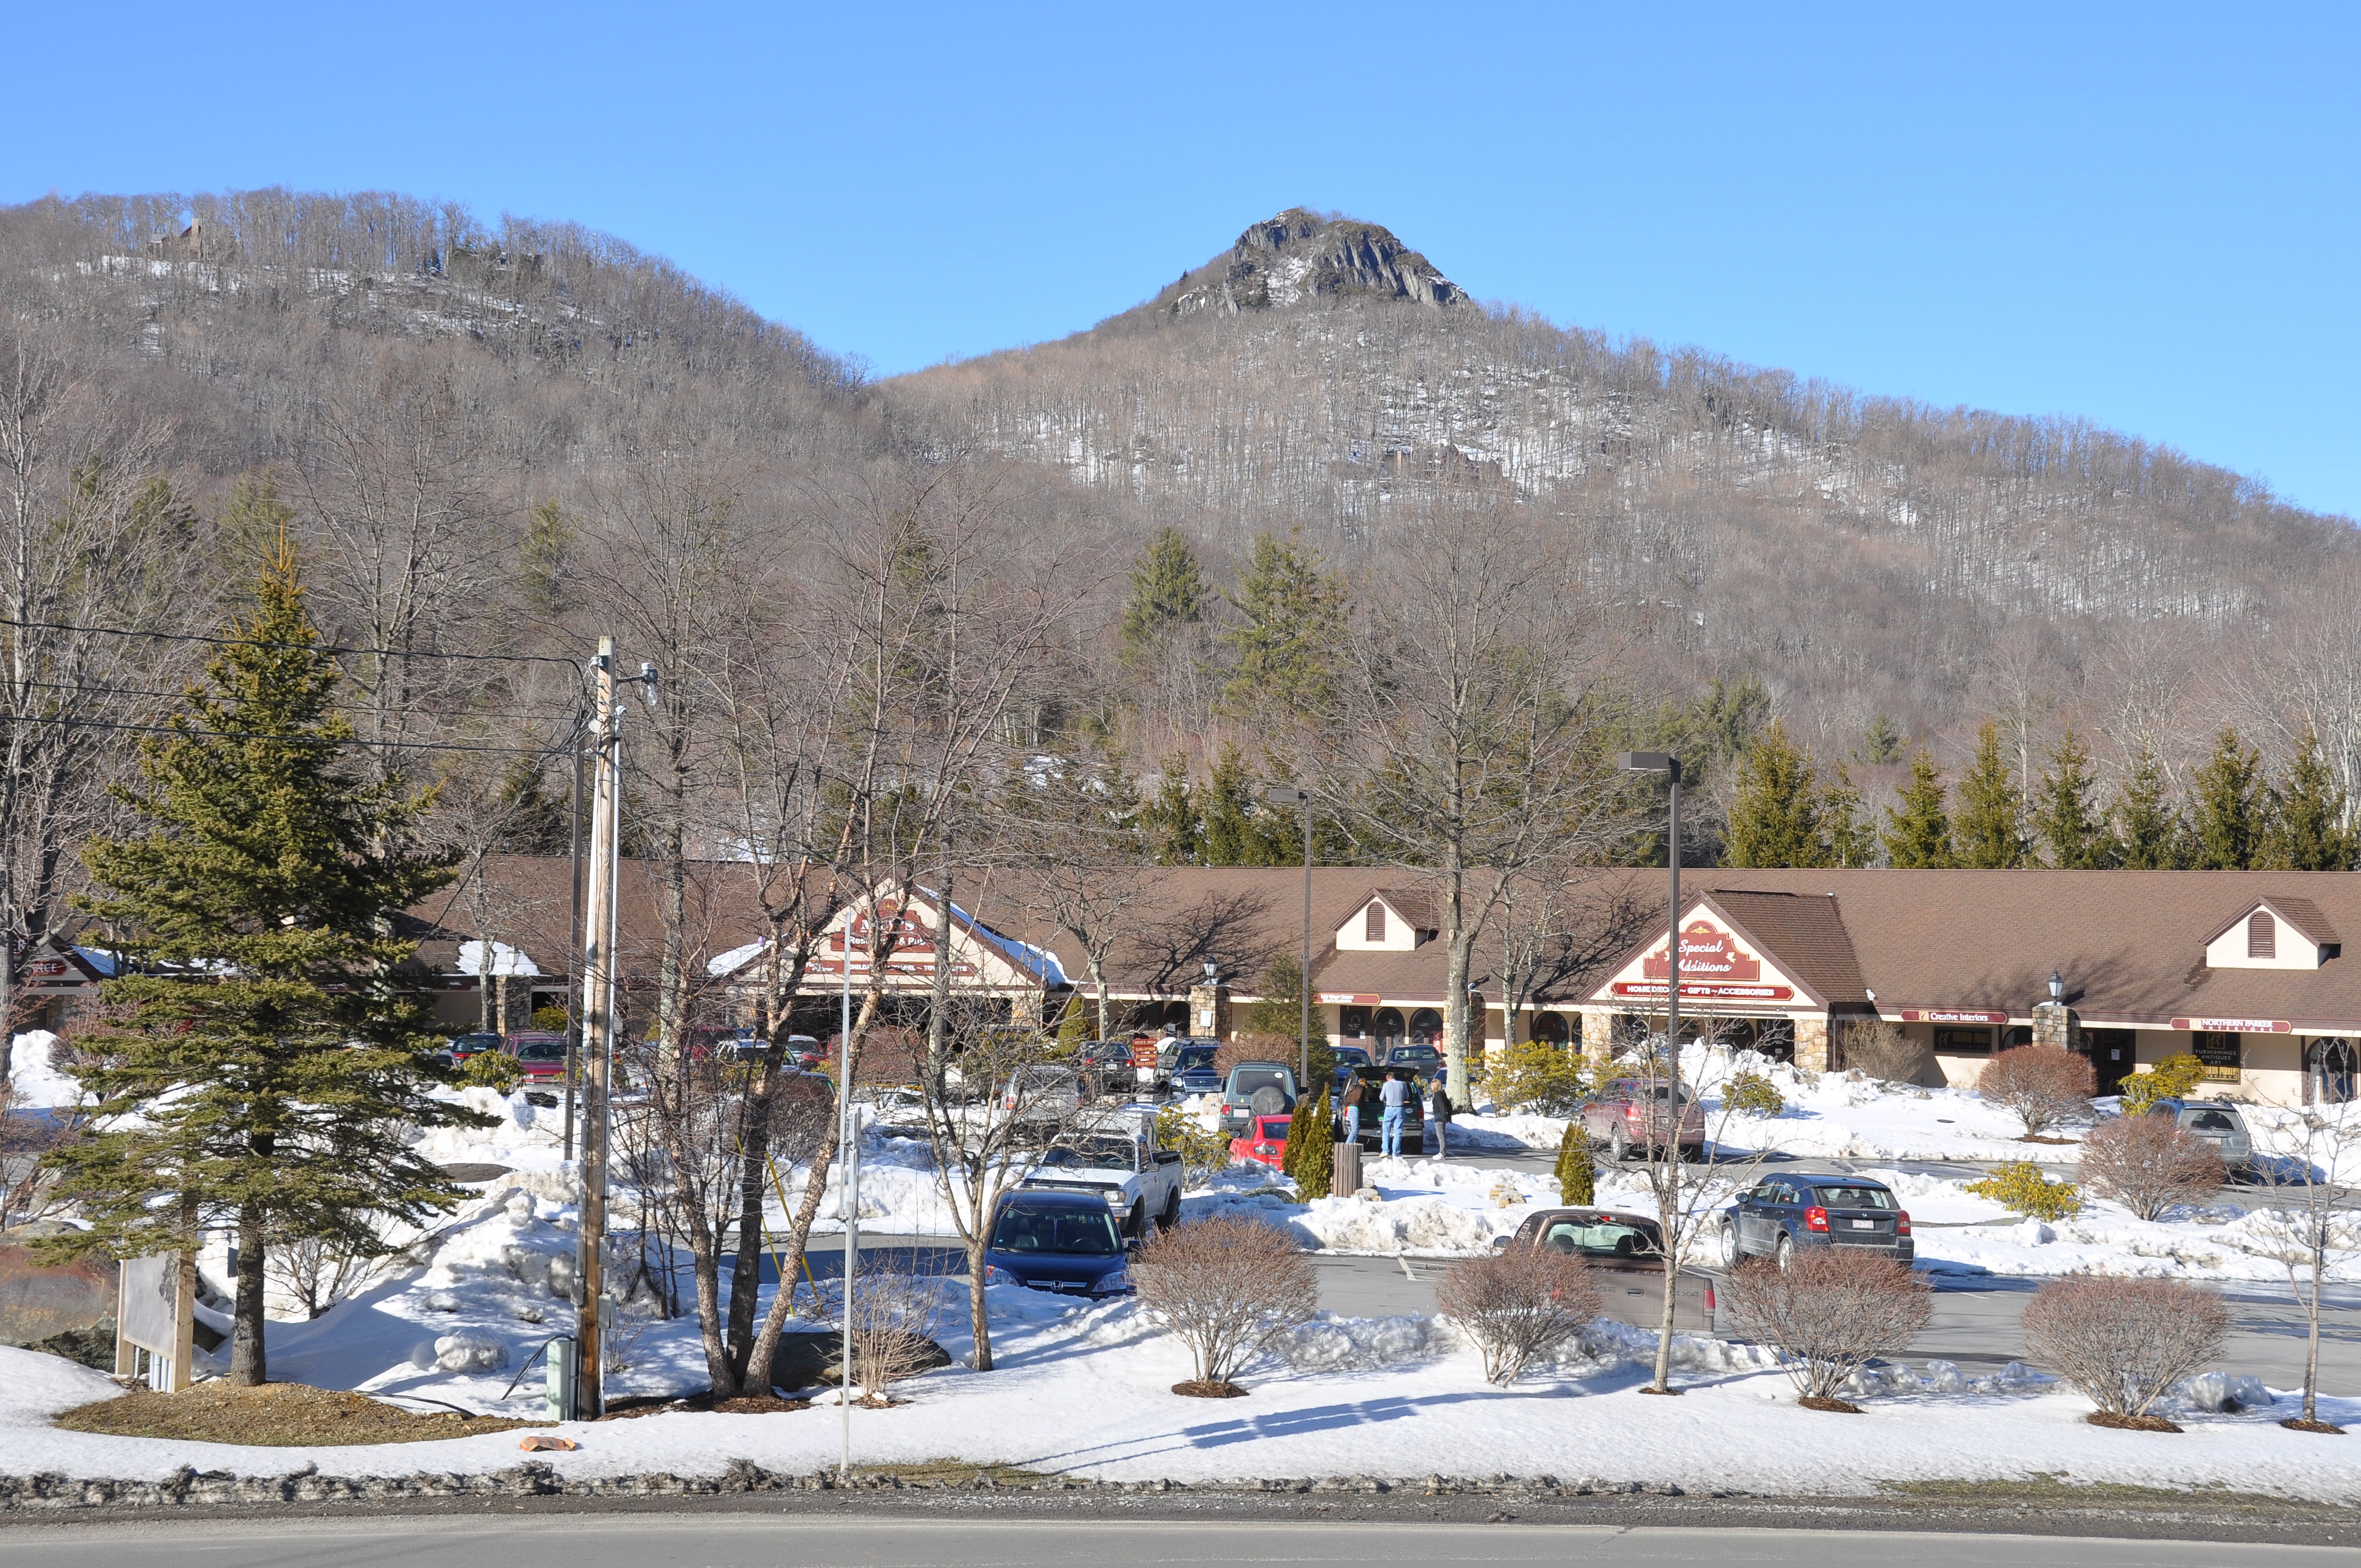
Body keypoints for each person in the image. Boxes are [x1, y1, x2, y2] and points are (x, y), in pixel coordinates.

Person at [1378, 1069, 1409, 1157]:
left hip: (1390, 1108)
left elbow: (1381, 1098)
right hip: (1400, 1109)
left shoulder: (1386, 1085)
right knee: (1398, 1131)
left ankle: (1385, 1150)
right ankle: (1396, 1153)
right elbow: (1407, 1096)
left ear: (1388, 1079)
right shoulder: (1403, 1084)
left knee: (1386, 1130)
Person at [1427, 1071, 1454, 1157]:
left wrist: (1444, 1117)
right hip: (1441, 1117)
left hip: (1439, 1117)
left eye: (1432, 1085)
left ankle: (1442, 1152)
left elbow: (1443, 1106)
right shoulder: (1443, 1094)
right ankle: (1442, 1151)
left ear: (1435, 1086)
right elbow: (1449, 1105)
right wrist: (1449, 1116)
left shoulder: (1438, 1095)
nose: (1431, 1087)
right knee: (1442, 1135)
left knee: (1440, 1136)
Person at [1340, 1070, 1369, 1147]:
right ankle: (1347, 1145)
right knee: (1355, 1130)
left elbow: (1347, 1100)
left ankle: (1355, 1146)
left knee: (1355, 1129)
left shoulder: (1352, 1089)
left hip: (1350, 1110)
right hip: (1355, 1110)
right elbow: (1362, 1101)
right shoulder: (1361, 1090)